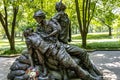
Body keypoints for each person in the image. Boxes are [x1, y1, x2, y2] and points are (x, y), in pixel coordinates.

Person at [33, 10, 102, 80]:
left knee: (82, 52)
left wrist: (48, 36)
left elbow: (57, 30)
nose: (36, 20)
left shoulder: (50, 22)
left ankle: (90, 69)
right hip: (54, 48)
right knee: (72, 64)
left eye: (37, 18)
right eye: (35, 18)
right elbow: (38, 39)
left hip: (61, 44)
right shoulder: (38, 28)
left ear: (41, 17)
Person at [52, 1, 103, 78]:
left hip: (65, 42)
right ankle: (91, 71)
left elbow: (67, 27)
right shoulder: (58, 15)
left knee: (81, 53)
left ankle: (92, 70)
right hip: (61, 44)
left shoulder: (65, 15)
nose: (63, 4)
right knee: (83, 52)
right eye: (62, 4)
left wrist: (69, 37)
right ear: (59, 7)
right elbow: (50, 23)